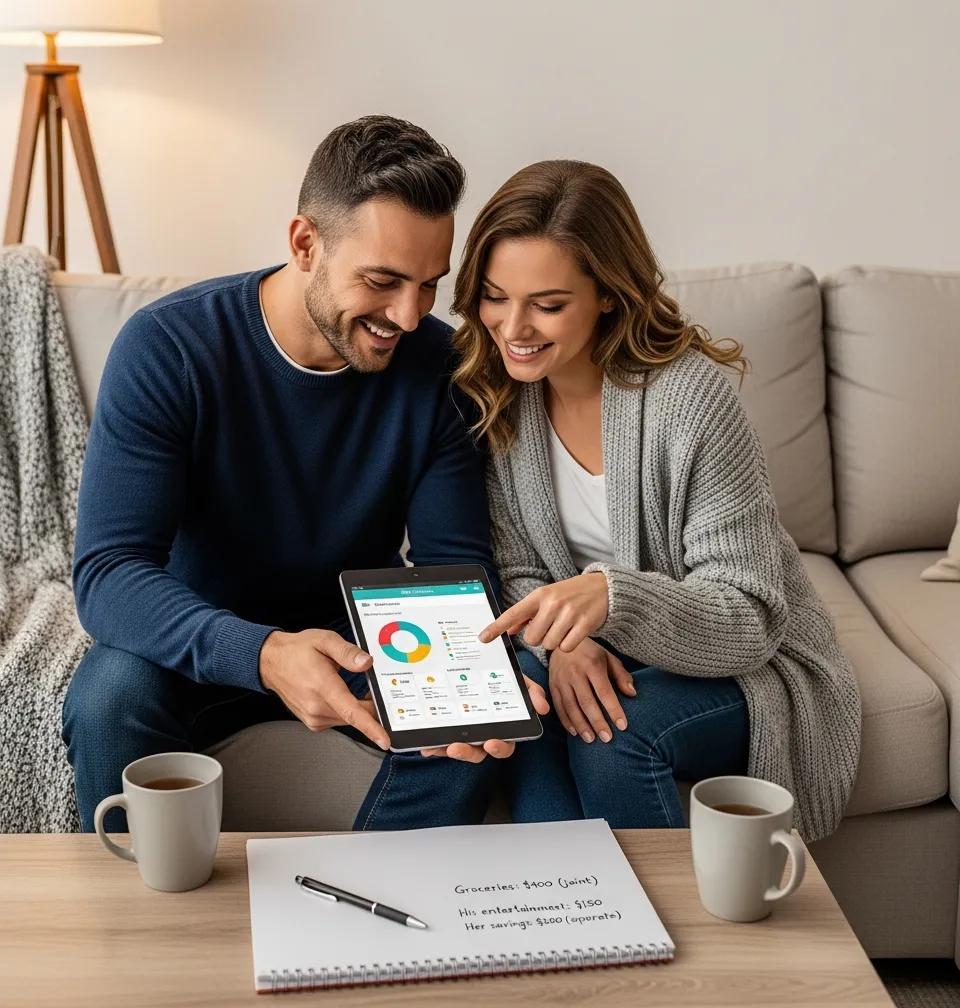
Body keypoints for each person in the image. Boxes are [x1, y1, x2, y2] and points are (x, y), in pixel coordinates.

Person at [63, 116, 547, 834]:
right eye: (383, 282)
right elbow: (107, 572)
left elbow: (454, 566)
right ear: (304, 244)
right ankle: (146, 937)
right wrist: (261, 652)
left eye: (428, 287)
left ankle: (372, 912)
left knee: (485, 719)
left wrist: (464, 682)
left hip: (362, 645)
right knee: (108, 701)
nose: (409, 317)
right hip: (196, 637)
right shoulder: (169, 348)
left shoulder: (440, 372)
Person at [451, 160, 861, 842]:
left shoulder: (689, 400)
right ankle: (559, 919)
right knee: (527, 712)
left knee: (611, 737)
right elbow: (518, 569)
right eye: (495, 297)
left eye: (547, 304)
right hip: (589, 646)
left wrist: (610, 601)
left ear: (608, 294)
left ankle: (672, 945)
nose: (512, 327)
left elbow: (753, 614)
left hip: (747, 661)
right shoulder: (498, 395)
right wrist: (563, 644)